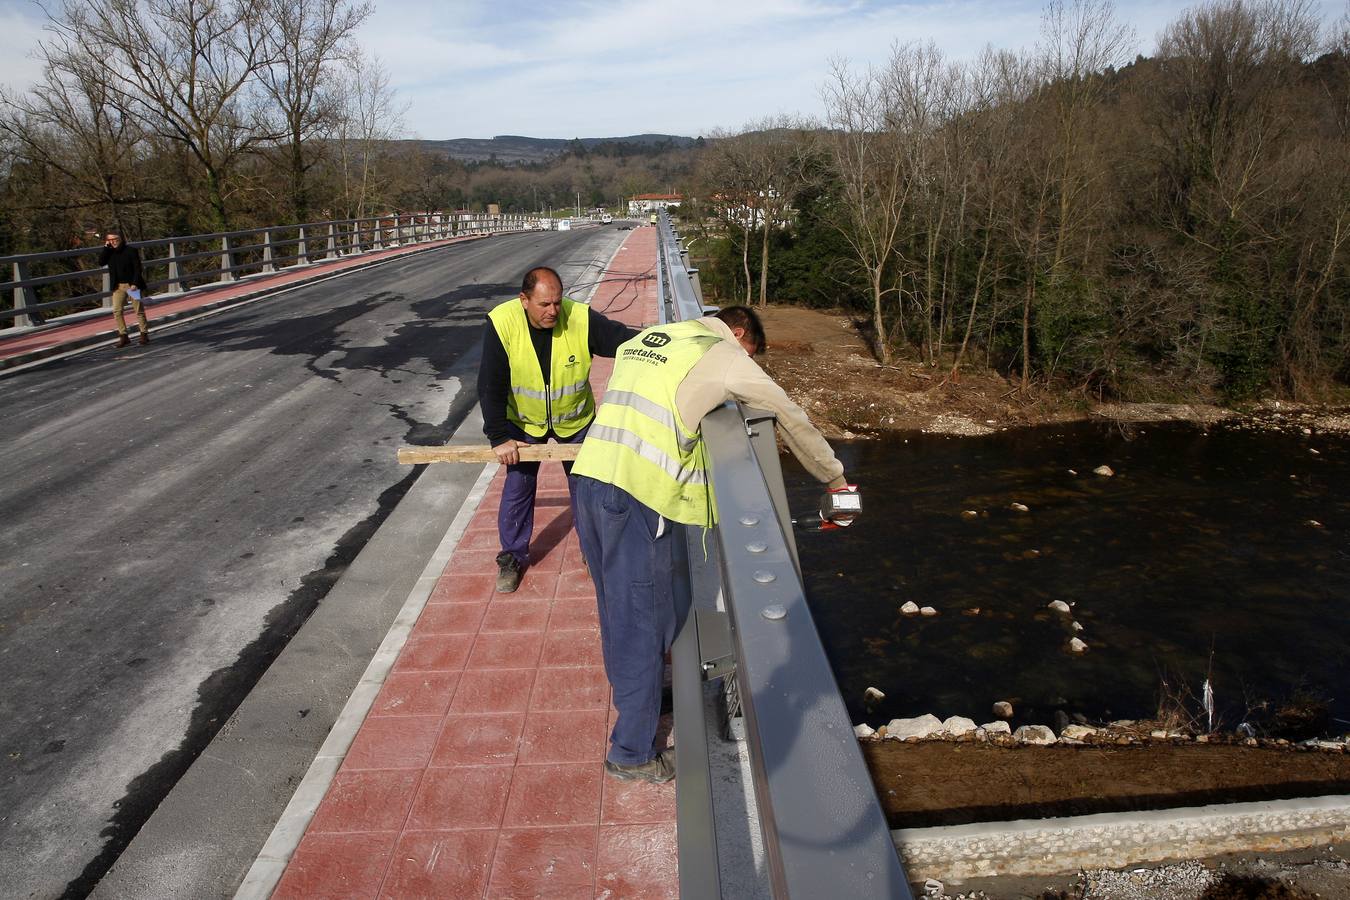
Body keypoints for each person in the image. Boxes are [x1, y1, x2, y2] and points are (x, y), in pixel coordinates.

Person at [570, 305, 856, 783]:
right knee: (643, 620)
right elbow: (785, 410)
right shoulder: (720, 353)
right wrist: (835, 477)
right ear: (738, 333)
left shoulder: (654, 336)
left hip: (591, 481)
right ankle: (632, 754)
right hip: (639, 496)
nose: (748, 364)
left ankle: (638, 702)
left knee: (617, 610)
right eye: (751, 353)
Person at [477, 266, 638, 593]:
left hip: (575, 420)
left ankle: (592, 552)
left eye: (557, 303)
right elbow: (489, 385)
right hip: (523, 422)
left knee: (586, 488)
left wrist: (663, 341)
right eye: (544, 305)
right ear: (524, 300)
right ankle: (512, 557)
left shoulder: (579, 317)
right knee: (519, 486)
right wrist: (499, 437)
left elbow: (623, 340)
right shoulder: (502, 323)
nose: (553, 311)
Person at [99, 230, 150, 347]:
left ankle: (144, 334)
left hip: (132, 286)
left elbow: (138, 268)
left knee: (138, 310)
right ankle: (123, 336)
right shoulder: (109, 252)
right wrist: (106, 248)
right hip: (118, 286)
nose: (113, 242)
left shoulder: (131, 251)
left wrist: (135, 283)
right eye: (110, 240)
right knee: (117, 310)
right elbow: (101, 262)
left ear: (121, 239)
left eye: (115, 239)